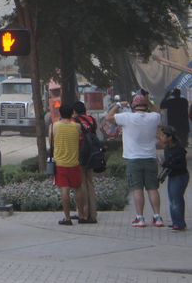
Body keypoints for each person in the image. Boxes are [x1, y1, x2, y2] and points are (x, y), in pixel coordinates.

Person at [107, 94, 164, 227]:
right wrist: (149, 102)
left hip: (133, 159)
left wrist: (119, 105)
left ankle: (140, 218)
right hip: (150, 158)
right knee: (153, 188)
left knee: (137, 189)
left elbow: (109, 118)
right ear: (146, 106)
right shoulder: (153, 117)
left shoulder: (127, 117)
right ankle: (158, 217)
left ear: (133, 106)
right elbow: (158, 111)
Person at [50, 102, 83, 226]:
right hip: (74, 162)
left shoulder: (54, 126)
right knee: (78, 188)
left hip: (60, 163)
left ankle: (67, 218)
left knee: (64, 190)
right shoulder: (77, 127)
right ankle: (81, 215)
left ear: (60, 113)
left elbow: (51, 141)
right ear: (72, 113)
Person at [72, 101, 98, 223]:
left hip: (80, 154)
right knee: (90, 183)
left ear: (75, 111)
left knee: (81, 184)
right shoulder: (92, 119)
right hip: (92, 154)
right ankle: (93, 214)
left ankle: (84, 213)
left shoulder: (75, 121)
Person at [158, 125, 188, 231]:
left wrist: (166, 164)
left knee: (176, 200)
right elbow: (168, 164)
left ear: (170, 137)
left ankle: (179, 223)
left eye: (163, 135)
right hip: (173, 176)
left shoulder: (178, 148)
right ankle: (176, 222)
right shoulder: (167, 148)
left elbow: (181, 166)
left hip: (180, 176)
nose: (161, 138)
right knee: (173, 200)